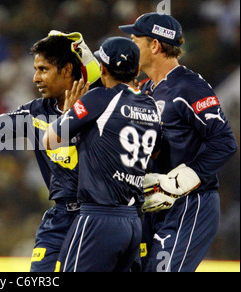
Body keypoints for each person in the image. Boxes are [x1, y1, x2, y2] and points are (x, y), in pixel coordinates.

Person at [0, 31, 100, 272]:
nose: (36, 78)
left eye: (43, 69)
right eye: (35, 70)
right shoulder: (35, 113)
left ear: (67, 70)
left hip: (99, 215)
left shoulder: (101, 105)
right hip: (61, 216)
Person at [119, 12, 238, 272]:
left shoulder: (189, 86)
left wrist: (183, 179)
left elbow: (224, 142)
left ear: (155, 45)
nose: (130, 47)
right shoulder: (147, 90)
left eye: (134, 40)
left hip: (190, 204)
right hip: (153, 204)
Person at [44, 36, 161, 272]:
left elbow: (51, 140)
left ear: (102, 68)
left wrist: (68, 113)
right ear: (137, 69)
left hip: (98, 217)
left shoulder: (99, 98)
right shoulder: (152, 107)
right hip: (132, 222)